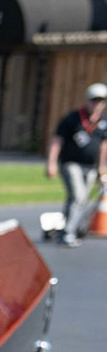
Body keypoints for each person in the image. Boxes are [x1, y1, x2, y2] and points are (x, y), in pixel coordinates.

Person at [46, 82, 107, 247]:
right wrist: (51, 163)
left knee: (80, 199)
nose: (97, 104)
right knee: (78, 196)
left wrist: (101, 168)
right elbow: (57, 140)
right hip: (71, 163)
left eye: (101, 101)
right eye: (94, 100)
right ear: (87, 100)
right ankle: (68, 233)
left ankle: (66, 229)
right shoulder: (73, 119)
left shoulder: (103, 123)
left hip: (91, 167)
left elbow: (103, 146)